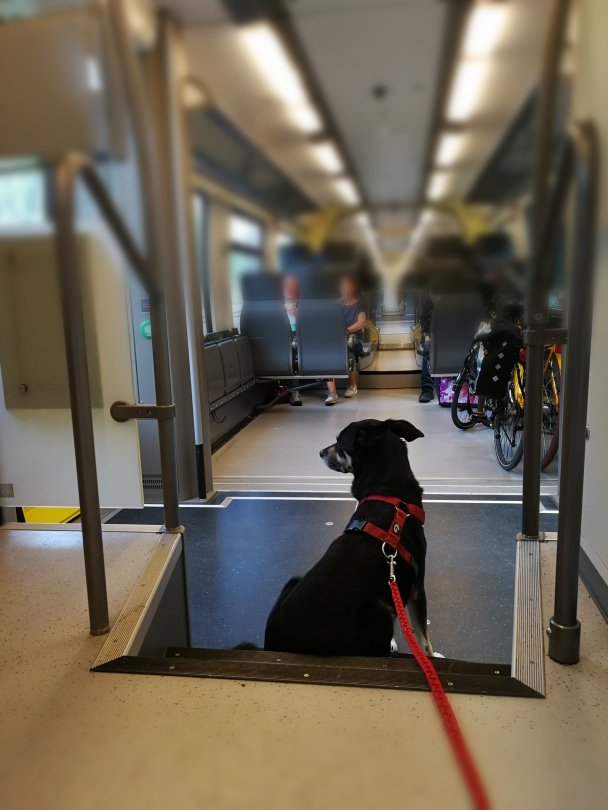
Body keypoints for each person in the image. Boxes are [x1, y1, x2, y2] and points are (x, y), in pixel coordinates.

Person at [325, 276, 367, 405]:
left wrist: (346, 331)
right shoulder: (335, 304)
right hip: (336, 338)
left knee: (350, 347)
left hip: (352, 338)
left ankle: (352, 385)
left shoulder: (359, 304)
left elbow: (362, 322)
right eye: (343, 286)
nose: (345, 289)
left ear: (353, 288)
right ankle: (332, 393)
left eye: (348, 286)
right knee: (326, 351)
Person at [282, 275, 303, 406]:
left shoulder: (304, 304)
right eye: (286, 287)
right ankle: (293, 391)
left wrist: (301, 315)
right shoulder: (278, 305)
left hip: (301, 335)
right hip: (284, 336)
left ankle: (294, 391)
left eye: (292, 287)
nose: (289, 289)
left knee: (293, 353)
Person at [418, 292, 435, 403]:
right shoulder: (432, 296)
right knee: (428, 345)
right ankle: (427, 388)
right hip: (434, 331)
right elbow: (425, 319)